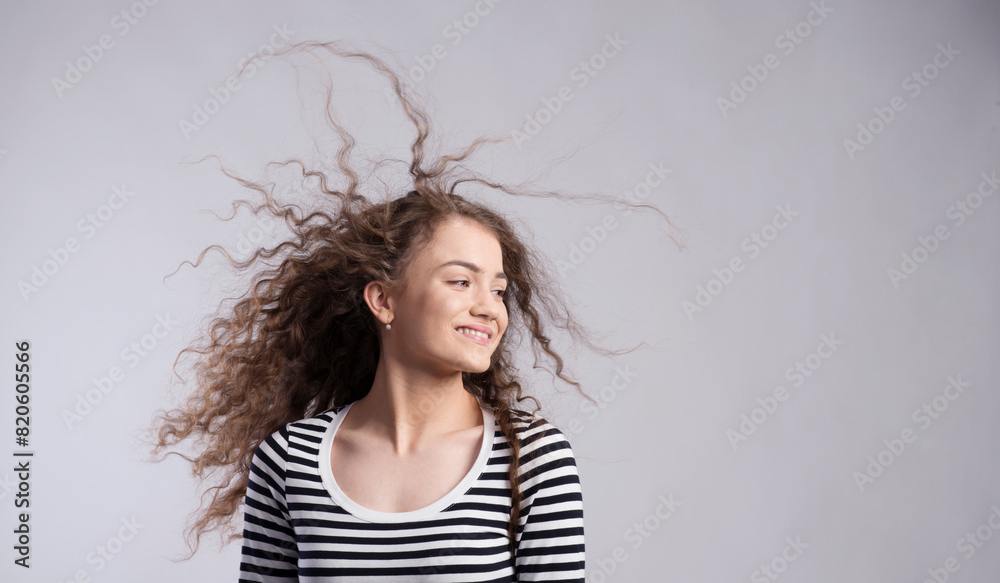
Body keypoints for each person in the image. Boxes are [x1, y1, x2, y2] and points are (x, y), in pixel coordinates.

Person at [149, 41, 684, 581]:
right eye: (460, 281)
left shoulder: (534, 460)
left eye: (498, 290)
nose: (490, 308)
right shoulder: (288, 461)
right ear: (383, 300)